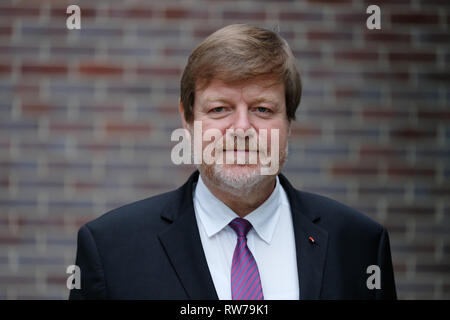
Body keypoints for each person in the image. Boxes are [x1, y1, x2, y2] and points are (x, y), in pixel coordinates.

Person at [69, 24, 396, 300]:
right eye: (219, 109)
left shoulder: (359, 245)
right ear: (187, 120)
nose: (242, 129)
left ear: (289, 122)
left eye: (262, 109)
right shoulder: (111, 250)